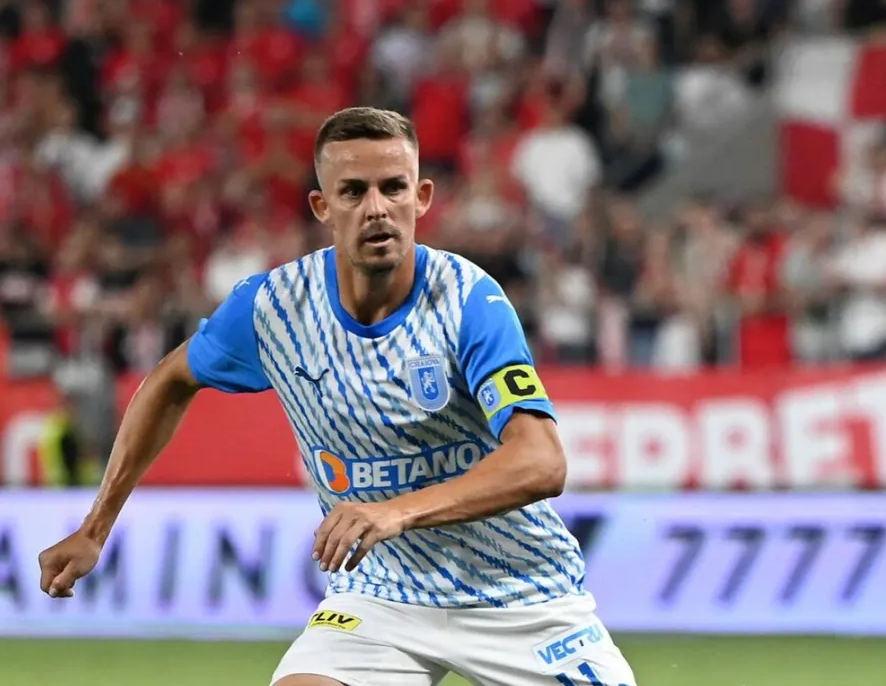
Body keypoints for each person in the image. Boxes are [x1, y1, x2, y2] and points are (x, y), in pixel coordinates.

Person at [36, 107, 639, 686]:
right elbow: (169, 379)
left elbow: (542, 461)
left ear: (421, 197)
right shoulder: (274, 308)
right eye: (353, 191)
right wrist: (95, 527)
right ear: (323, 206)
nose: (377, 208)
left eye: (393, 188)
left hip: (520, 593)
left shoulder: (468, 300)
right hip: (380, 598)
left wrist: (394, 512)